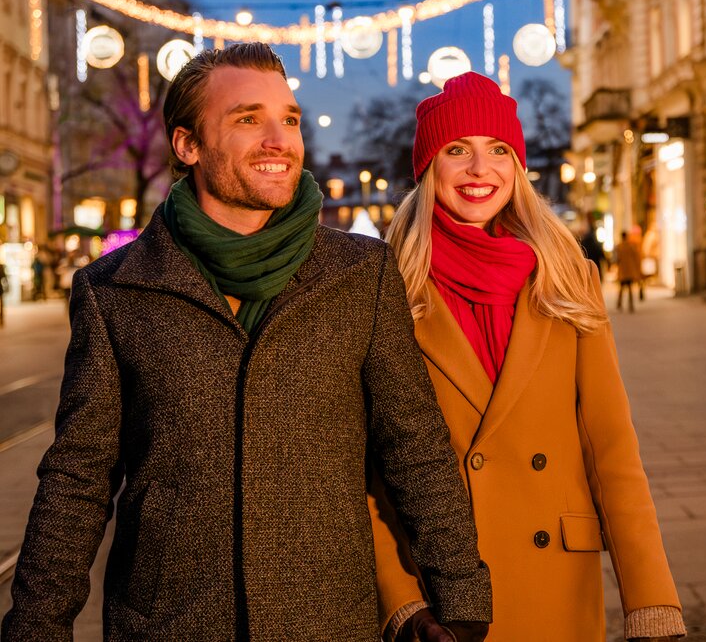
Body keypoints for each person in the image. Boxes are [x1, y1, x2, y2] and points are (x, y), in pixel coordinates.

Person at [2, 44, 491, 642]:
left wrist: (461, 593)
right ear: (188, 145)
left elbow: (413, 442)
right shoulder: (116, 289)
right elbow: (79, 477)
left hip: (326, 617)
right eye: (246, 118)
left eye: (288, 119)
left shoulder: (360, 273)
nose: (279, 140)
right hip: (168, 624)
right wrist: (35, 625)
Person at [369, 73, 685, 641]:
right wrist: (401, 600)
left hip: (556, 579)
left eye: (498, 151)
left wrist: (652, 603)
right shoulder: (385, 288)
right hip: (444, 593)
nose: (479, 170)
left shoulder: (566, 277)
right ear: (427, 168)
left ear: (517, 167)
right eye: (456, 150)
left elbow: (612, 448)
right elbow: (362, 464)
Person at [615, 230, 643, 313]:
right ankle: (630, 305)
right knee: (630, 288)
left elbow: (617, 259)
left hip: (623, 270)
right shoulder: (631, 246)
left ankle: (619, 303)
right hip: (630, 270)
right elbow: (636, 257)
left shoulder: (619, 246)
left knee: (621, 288)